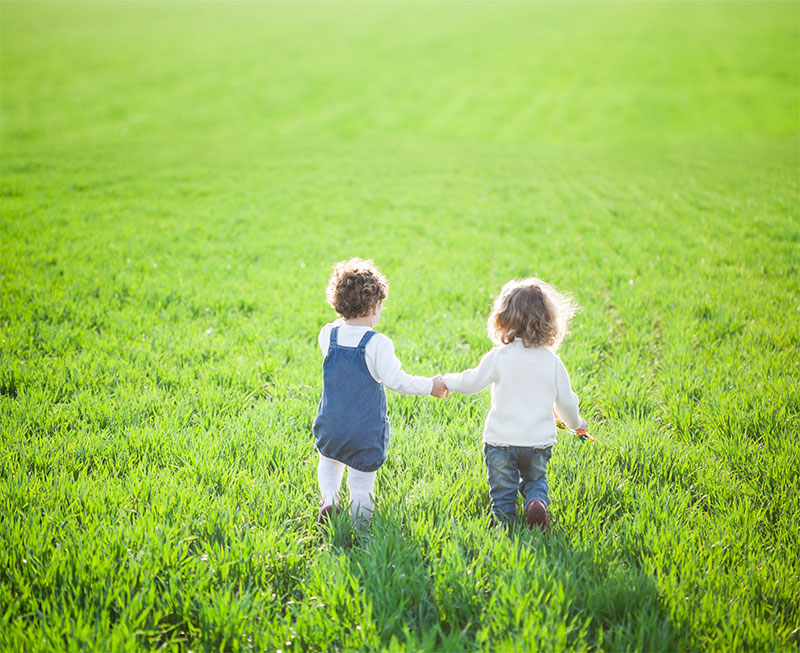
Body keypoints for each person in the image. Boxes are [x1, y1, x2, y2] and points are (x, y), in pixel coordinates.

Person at [441, 278, 588, 530]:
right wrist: (577, 425)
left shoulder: (500, 356)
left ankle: (503, 521)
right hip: (537, 443)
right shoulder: (552, 362)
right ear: (548, 322)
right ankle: (535, 502)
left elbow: (471, 382)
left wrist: (446, 381)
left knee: (503, 489)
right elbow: (566, 402)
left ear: (503, 319)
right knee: (535, 478)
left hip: (501, 442)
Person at [313, 257, 448, 528]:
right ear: (374, 308)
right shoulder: (377, 344)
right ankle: (361, 530)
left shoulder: (328, 334)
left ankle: (329, 498)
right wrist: (430, 385)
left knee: (329, 461)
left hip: (332, 424)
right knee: (361, 483)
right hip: (364, 431)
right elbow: (397, 381)